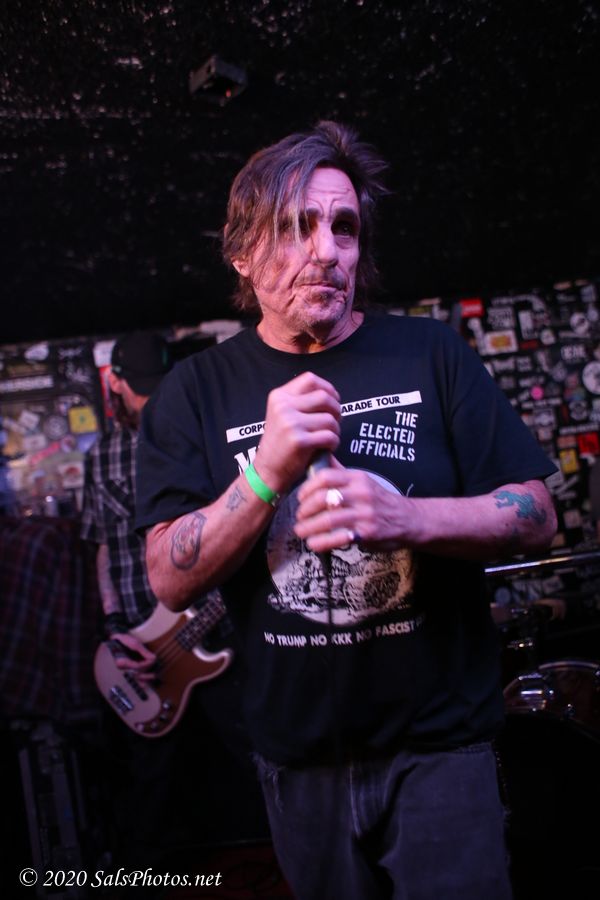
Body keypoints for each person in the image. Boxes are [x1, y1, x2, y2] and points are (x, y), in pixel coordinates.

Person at [135, 122, 558, 899]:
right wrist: (267, 473)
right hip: (298, 763)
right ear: (241, 251)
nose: (326, 250)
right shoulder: (193, 393)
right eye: (296, 227)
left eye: (344, 227)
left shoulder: (431, 354)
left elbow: (536, 512)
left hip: (441, 749)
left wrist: (408, 520)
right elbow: (168, 577)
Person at [81, 330, 265, 870]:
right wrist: (116, 627)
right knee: (150, 793)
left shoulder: (199, 437)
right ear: (115, 383)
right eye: (141, 387)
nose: (151, 398)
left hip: (217, 629)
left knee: (255, 762)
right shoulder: (100, 458)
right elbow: (103, 548)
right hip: (141, 644)